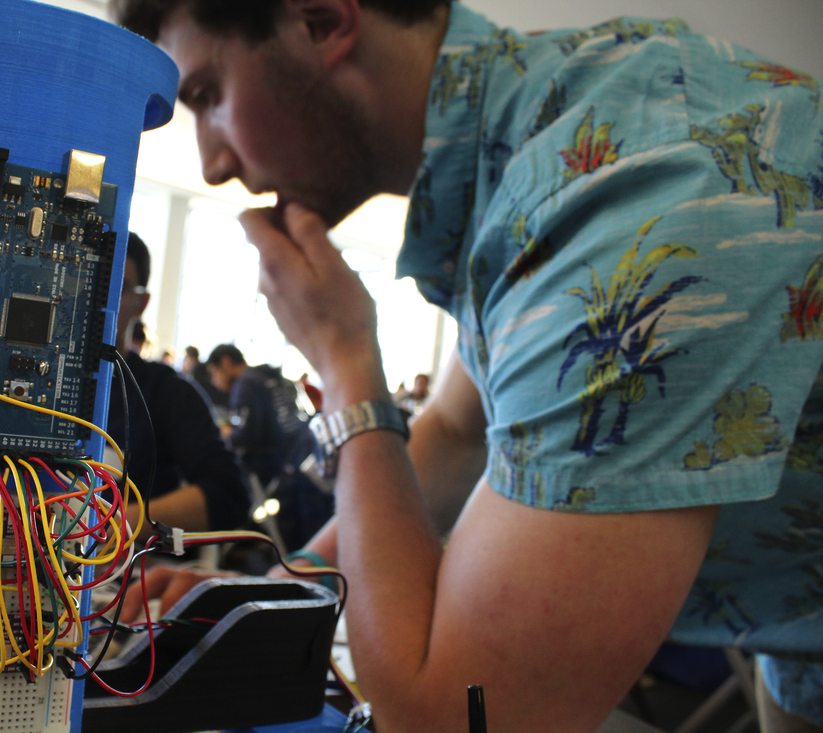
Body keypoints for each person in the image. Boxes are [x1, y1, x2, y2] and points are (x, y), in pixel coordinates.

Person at [111, 0, 823, 730]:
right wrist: (257, 601)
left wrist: (344, 355)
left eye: (208, 96)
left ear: (323, 21)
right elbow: (453, 428)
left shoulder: (626, 196)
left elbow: (452, 715)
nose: (213, 162)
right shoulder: (536, 140)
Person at [106, 232, 250, 537]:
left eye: (116, 284)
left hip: (118, 571)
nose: (98, 293)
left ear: (141, 303)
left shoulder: (166, 392)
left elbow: (229, 495)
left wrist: (105, 530)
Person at [207, 343, 333, 549]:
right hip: (295, 461)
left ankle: (225, 545)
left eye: (214, 373)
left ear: (226, 363)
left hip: (268, 467)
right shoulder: (278, 378)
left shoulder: (245, 384)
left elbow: (247, 435)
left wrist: (227, 434)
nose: (214, 381)